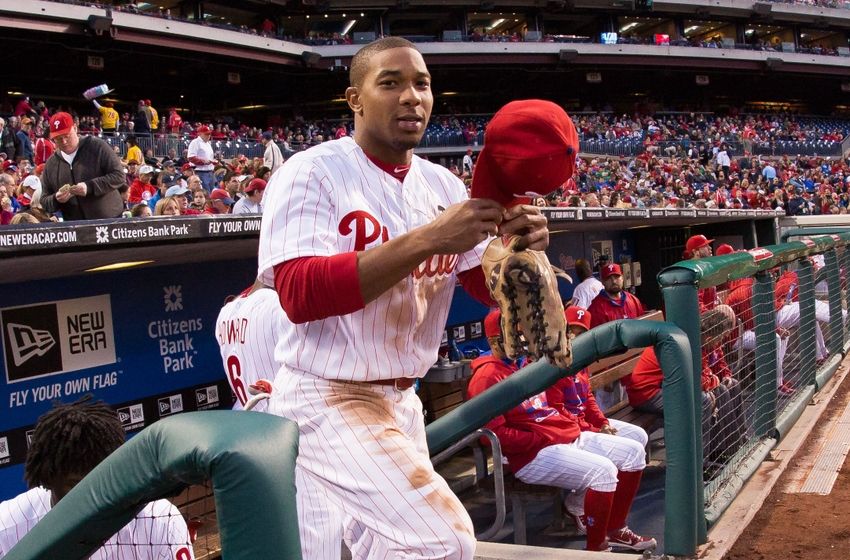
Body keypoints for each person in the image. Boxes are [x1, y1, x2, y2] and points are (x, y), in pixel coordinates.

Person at [257, 37, 556, 559]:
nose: (411, 96)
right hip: (328, 395)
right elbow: (299, 293)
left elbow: (472, 281)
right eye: (390, 83)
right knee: (443, 541)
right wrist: (430, 238)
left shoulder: (441, 183)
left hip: (401, 401)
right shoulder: (309, 172)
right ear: (355, 99)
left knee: (370, 552)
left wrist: (514, 254)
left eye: (421, 84)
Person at [467, 309, 656, 552]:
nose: (522, 341)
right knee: (604, 472)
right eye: (515, 336)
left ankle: (616, 528)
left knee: (633, 453)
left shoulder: (524, 366)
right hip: (531, 456)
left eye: (522, 335)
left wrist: (567, 427)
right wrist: (538, 437)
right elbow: (495, 437)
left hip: (559, 438)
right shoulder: (486, 377)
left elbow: (554, 407)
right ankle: (596, 548)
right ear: (495, 340)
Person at [0, 397, 194, 559]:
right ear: (48, 479)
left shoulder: (159, 519)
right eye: (77, 486)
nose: (94, 498)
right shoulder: (6, 527)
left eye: (103, 482)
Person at [41, 112, 125, 220]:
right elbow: (44, 200)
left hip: (110, 220)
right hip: (76, 227)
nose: (64, 141)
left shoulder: (97, 146)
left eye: (67, 136)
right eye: (58, 138)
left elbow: (119, 176)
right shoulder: (51, 164)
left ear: (75, 128)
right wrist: (56, 199)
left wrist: (89, 186)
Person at [588, 263, 646, 328]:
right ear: (603, 282)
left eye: (616, 277)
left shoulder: (633, 300)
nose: (614, 281)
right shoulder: (595, 308)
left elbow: (642, 327)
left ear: (622, 278)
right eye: (609, 278)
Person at [684, 234, 719, 311]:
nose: (710, 248)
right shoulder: (695, 272)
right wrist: (713, 316)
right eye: (705, 246)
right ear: (696, 251)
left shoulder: (703, 268)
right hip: (703, 320)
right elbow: (697, 305)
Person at [187, 125, 216, 192]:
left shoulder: (208, 143)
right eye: (206, 134)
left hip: (210, 172)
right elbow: (191, 158)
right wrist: (203, 161)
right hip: (201, 172)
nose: (208, 135)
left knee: (212, 193)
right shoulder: (195, 142)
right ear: (200, 134)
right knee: (205, 193)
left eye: (209, 134)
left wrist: (213, 161)